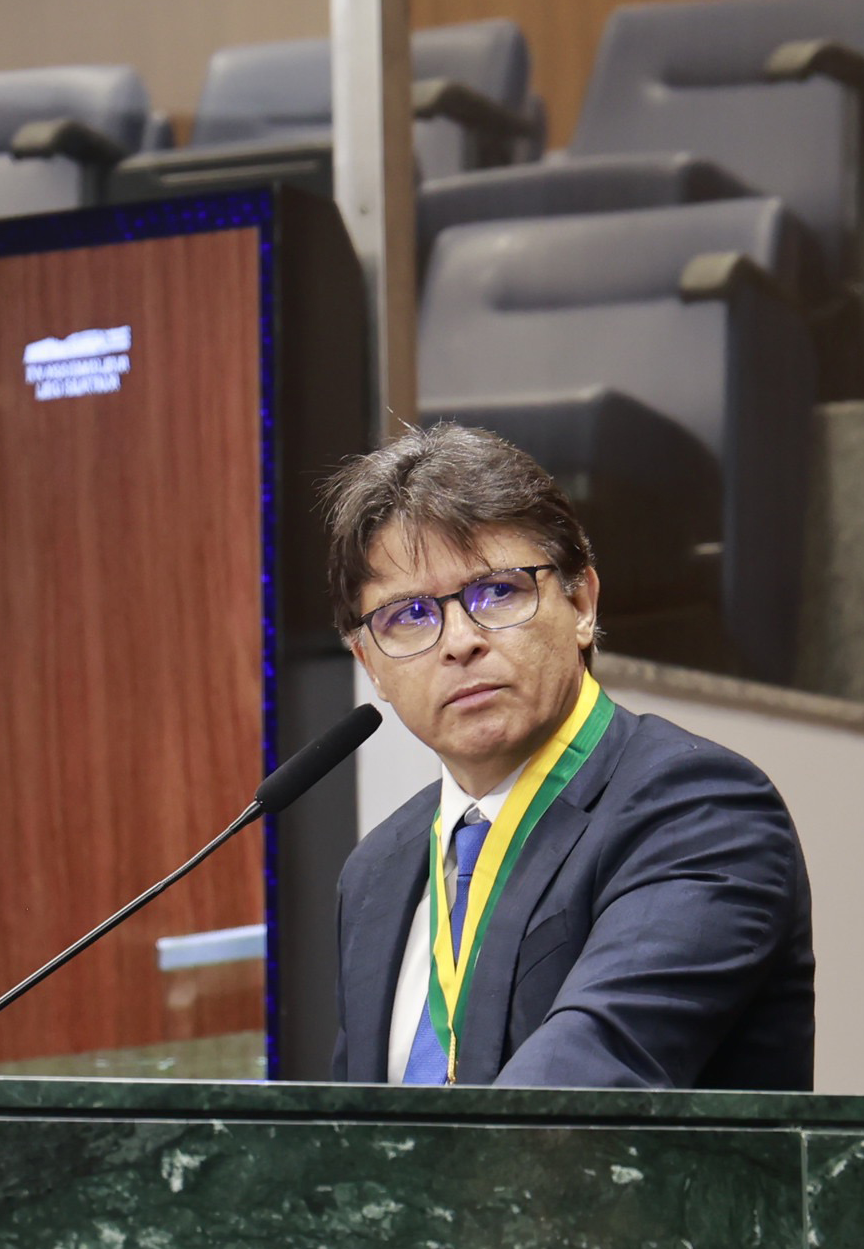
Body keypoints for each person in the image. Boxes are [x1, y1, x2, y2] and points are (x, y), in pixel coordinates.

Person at [325, 423, 813, 1089]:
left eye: (497, 591)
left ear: (581, 603)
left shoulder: (699, 811)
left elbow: (585, 1082)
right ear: (370, 665)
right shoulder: (376, 872)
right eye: (408, 615)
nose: (459, 641)